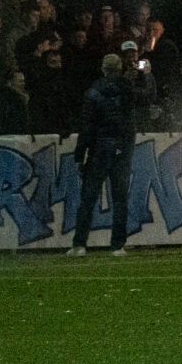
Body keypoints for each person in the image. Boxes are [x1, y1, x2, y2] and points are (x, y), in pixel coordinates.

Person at [68, 53, 136, 257]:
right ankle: (117, 245)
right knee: (119, 198)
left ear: (103, 68)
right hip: (120, 148)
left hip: (100, 148)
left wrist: (80, 154)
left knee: (88, 197)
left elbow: (87, 126)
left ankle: (79, 244)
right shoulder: (127, 89)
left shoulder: (94, 91)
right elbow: (146, 100)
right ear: (120, 67)